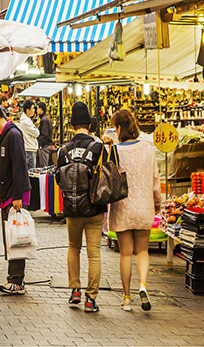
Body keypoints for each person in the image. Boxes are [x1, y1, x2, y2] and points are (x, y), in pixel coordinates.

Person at [107, 109, 160, 311]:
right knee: (143, 251)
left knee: (126, 254)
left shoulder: (116, 151)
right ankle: (143, 285)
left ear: (119, 128)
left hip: (122, 208)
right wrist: (157, 203)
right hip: (144, 206)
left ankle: (127, 297)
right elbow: (156, 179)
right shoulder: (148, 148)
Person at [56, 102, 107, 313]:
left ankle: (75, 290)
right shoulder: (99, 147)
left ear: (71, 125)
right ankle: (90, 299)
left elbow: (59, 178)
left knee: (73, 247)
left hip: (72, 207)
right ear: (89, 124)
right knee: (93, 253)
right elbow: (109, 174)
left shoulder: (63, 150)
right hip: (94, 208)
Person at [0, 102, 30, 295]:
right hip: (4, 196)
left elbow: (20, 167)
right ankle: (13, 278)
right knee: (10, 237)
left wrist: (18, 196)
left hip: (13, 197)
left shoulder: (13, 135)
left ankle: (17, 281)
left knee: (16, 238)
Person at [18, 100, 40, 172]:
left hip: (30, 149)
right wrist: (35, 129)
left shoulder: (27, 120)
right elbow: (36, 133)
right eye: (33, 108)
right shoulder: (25, 122)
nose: (34, 110)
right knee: (30, 173)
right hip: (29, 150)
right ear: (28, 110)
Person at [37, 102, 53, 167]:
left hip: (44, 146)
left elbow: (44, 134)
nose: (36, 110)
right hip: (46, 145)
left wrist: (38, 143)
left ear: (41, 109)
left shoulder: (44, 120)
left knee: (43, 166)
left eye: (37, 108)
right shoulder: (45, 118)